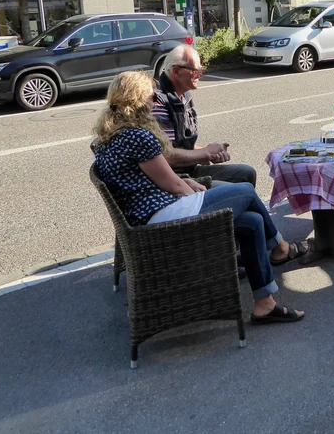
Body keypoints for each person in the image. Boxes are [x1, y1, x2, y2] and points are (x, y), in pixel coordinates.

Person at [92, 71, 306, 324]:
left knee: (252, 223)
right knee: (246, 192)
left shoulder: (109, 136)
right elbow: (173, 186)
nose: (155, 101)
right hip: (163, 218)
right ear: (138, 99)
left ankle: (264, 303)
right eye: (151, 96)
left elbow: (151, 176)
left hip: (148, 216)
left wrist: (187, 181)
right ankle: (280, 248)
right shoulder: (137, 136)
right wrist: (195, 189)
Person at [152, 44, 257, 187]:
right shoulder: (158, 103)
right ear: (176, 71)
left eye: (201, 70)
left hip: (189, 168)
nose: (200, 75)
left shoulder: (184, 95)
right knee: (242, 190)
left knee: (246, 172)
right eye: (196, 70)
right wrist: (205, 153)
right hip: (175, 179)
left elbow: (182, 143)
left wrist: (210, 152)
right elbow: (166, 155)